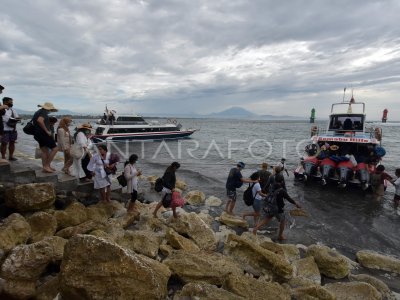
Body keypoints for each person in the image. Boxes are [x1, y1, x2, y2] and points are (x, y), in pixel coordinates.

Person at [32, 102, 59, 173]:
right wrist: (47, 131)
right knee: (55, 149)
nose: (50, 111)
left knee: (45, 151)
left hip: (38, 134)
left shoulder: (38, 112)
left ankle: (46, 167)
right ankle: (47, 165)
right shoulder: (43, 112)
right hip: (43, 134)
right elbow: (40, 121)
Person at [1, 97, 20, 161]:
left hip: (13, 129)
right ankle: (3, 157)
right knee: (4, 144)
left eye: (12, 102)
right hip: (4, 129)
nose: (12, 103)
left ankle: (11, 156)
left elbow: (17, 117)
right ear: (5, 102)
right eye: (11, 102)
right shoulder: (2, 109)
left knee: (12, 143)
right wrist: (9, 120)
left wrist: (16, 119)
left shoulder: (12, 109)